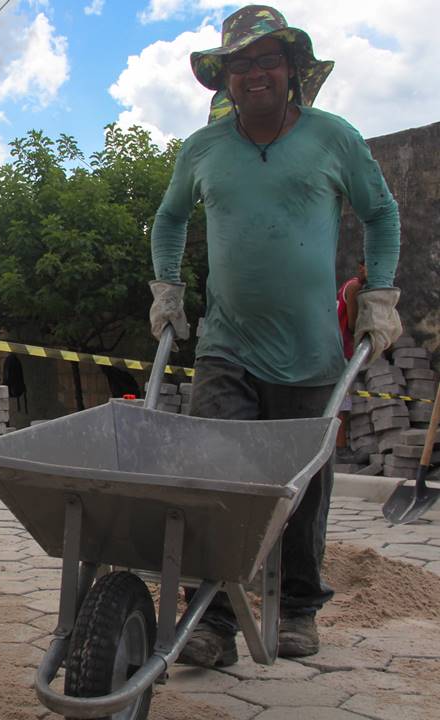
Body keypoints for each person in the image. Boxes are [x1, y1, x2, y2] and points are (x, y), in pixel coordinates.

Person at [149, 5, 401, 666]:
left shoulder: (332, 139)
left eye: (267, 61)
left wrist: (379, 293)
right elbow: (169, 219)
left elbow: (381, 213)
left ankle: (295, 608)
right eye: (240, 64)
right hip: (224, 345)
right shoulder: (203, 150)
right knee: (216, 480)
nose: (254, 74)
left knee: (303, 489)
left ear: (292, 70)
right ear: (224, 80)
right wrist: (167, 286)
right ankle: (211, 620)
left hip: (314, 349)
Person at [335, 259, 368, 462]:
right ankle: (340, 449)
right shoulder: (355, 286)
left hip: (337, 349)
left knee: (340, 402)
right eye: (369, 267)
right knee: (342, 404)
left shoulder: (349, 285)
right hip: (340, 352)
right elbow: (354, 324)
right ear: (361, 267)